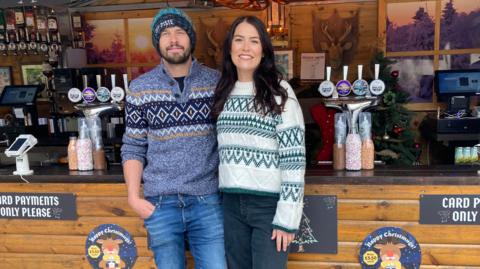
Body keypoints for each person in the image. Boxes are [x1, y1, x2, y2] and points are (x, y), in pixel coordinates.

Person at [121, 7, 226, 269]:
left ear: (191, 38)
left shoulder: (217, 83)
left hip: (207, 201)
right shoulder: (140, 88)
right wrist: (134, 198)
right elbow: (133, 146)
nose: (174, 39)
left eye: (180, 32)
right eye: (165, 34)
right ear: (158, 42)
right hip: (160, 204)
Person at [212, 16, 306, 269]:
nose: (245, 48)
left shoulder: (280, 93)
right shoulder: (223, 91)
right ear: (230, 47)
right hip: (231, 203)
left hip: (269, 207)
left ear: (263, 50)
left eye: (253, 41)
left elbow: (294, 159)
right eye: (239, 40)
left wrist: (287, 217)